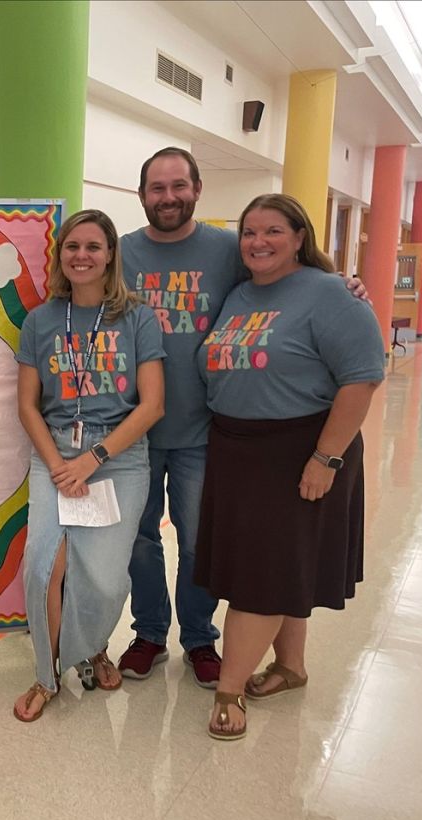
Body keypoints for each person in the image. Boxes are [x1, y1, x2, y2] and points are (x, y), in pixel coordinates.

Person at [117, 147, 369, 689]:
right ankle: (149, 634)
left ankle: (200, 639)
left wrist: (344, 286)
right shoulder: (121, 254)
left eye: (178, 186)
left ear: (197, 189)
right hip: (132, 430)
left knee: (199, 543)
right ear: (141, 195)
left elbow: (284, 277)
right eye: (157, 188)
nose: (168, 197)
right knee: (138, 541)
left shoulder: (228, 248)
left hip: (205, 433)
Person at [195, 193, 385, 740]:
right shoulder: (238, 294)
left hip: (300, 450)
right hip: (239, 450)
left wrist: (325, 458)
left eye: (273, 231)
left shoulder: (331, 294)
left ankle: (229, 691)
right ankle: (290, 667)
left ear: (300, 236)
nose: (258, 242)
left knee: (261, 578)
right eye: (249, 232)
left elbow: (362, 378)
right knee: (284, 568)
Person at [12, 209, 165, 722]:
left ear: (110, 256)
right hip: (55, 455)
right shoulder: (42, 320)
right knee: (43, 565)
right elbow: (28, 405)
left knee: (101, 579)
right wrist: (60, 464)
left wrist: (93, 459)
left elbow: (152, 405)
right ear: (61, 256)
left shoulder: (138, 318)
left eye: (93, 247)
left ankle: (92, 648)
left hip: (117, 458)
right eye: (72, 246)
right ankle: (45, 675)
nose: (82, 255)